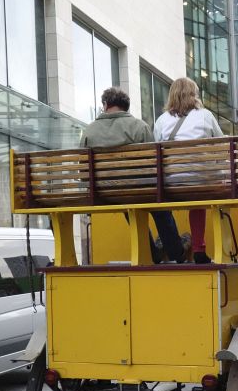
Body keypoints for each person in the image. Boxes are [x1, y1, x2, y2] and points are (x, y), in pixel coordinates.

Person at [80, 86, 190, 263]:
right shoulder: (140, 127)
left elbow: (83, 172)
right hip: (139, 190)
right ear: (126, 107)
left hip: (104, 192)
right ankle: (176, 252)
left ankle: (152, 251)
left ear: (106, 105)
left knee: (128, 205)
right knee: (160, 209)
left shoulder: (89, 132)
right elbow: (153, 166)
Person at [154, 77, 223, 264]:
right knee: (198, 197)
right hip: (201, 182)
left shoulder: (161, 120)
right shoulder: (205, 115)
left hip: (171, 183)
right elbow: (222, 144)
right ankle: (199, 248)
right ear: (194, 95)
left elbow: (155, 150)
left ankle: (173, 246)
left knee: (166, 202)